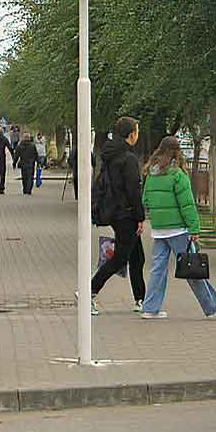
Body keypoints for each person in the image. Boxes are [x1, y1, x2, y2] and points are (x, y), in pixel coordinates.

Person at [140, 136, 216, 319]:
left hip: (159, 229)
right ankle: (213, 305)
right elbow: (187, 205)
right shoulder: (177, 175)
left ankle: (150, 308)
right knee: (192, 267)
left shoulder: (151, 173)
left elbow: (145, 200)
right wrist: (194, 228)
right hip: (178, 230)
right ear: (177, 152)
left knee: (157, 269)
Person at [89, 117, 146, 316]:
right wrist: (140, 216)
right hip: (126, 214)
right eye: (137, 131)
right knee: (121, 257)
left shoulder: (110, 155)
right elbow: (133, 190)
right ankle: (90, 290)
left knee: (137, 256)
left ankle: (141, 299)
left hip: (115, 210)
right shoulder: (128, 158)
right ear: (131, 134)